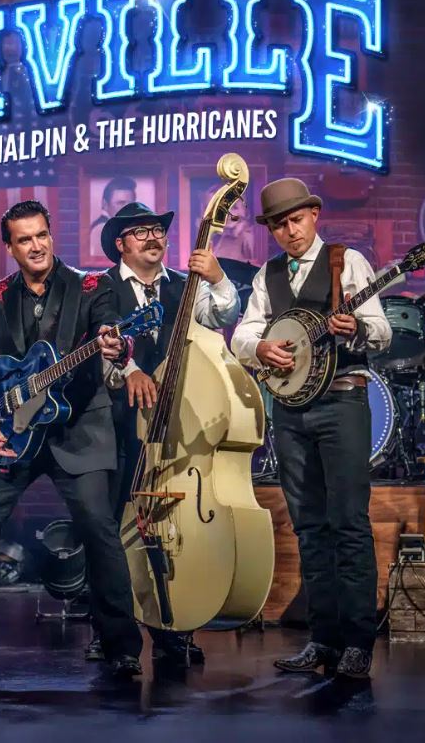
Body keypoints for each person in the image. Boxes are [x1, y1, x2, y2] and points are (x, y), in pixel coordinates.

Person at [0, 200, 143, 681]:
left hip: (78, 425)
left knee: (98, 529)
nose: (36, 244)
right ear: (10, 247)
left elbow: (112, 329)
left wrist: (115, 343)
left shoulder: (90, 286)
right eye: (25, 239)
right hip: (13, 430)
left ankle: (122, 646)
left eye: (42, 234)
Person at [231, 178, 391, 679]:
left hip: (342, 403)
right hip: (291, 411)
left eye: (295, 220)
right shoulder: (268, 274)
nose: (289, 231)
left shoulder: (347, 263)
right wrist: (258, 349)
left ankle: (358, 641)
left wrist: (357, 328)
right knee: (309, 527)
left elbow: (382, 331)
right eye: (279, 224)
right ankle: (322, 640)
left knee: (348, 522)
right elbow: (245, 330)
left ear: (314, 215)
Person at [89, 201, 241, 665]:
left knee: (169, 525)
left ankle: (171, 625)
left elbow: (222, 316)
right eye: (140, 232)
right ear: (120, 243)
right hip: (113, 424)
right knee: (111, 528)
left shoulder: (185, 285)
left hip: (174, 424)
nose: (153, 238)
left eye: (157, 230)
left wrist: (216, 277)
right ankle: (110, 629)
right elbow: (96, 338)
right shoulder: (101, 287)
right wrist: (131, 367)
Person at [89, 176, 136, 258]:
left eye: (130, 204)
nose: (127, 208)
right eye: (120, 203)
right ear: (105, 204)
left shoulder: (120, 229)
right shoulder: (102, 229)